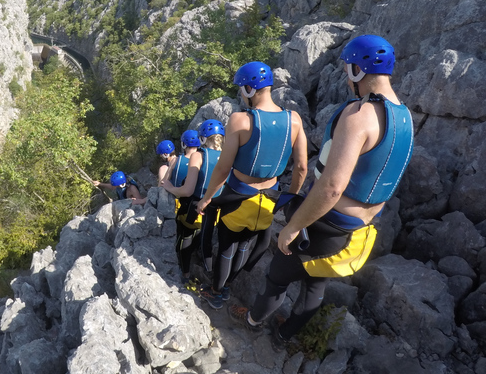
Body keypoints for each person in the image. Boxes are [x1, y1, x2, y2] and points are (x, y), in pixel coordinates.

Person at [236, 35, 413, 351]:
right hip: (356, 227)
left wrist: (291, 229)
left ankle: (252, 322)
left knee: (278, 276)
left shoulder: (360, 116)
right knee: (315, 283)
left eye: (349, 70)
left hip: (326, 222)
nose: (347, 77)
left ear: (358, 70)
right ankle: (287, 334)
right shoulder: (404, 116)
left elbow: (332, 187)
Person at [194, 61, 308, 309]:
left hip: (238, 198)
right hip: (269, 200)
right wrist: (289, 198)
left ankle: (216, 292)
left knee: (227, 246)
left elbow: (223, 169)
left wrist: (206, 199)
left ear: (248, 89)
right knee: (246, 243)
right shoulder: (295, 121)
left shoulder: (240, 120)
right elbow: (301, 168)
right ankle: (227, 285)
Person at [161, 120, 227, 283]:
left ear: (203, 139)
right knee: (205, 238)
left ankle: (185, 274)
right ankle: (211, 275)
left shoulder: (199, 156)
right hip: (216, 212)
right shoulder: (228, 156)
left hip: (194, 210)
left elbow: (187, 190)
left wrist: (170, 188)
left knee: (184, 239)